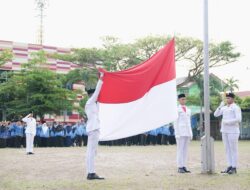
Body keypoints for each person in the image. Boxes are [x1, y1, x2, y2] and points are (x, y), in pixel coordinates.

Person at [214, 92, 242, 175]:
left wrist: (228, 122)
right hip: (224, 131)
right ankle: (229, 166)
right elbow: (216, 114)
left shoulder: (236, 107)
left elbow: (238, 119)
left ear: (233, 99)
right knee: (227, 149)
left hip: (233, 131)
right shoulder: (224, 108)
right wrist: (220, 106)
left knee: (233, 149)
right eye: (226, 98)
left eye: (229, 98)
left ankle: (234, 167)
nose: (227, 99)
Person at [85, 71, 105, 180]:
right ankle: (91, 173)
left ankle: (90, 172)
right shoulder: (90, 102)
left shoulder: (92, 104)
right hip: (93, 128)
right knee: (91, 152)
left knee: (91, 151)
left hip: (93, 128)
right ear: (91, 95)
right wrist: (101, 79)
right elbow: (98, 92)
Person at [174, 94, 193, 173]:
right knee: (180, 150)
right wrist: (177, 133)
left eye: (185, 99)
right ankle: (180, 166)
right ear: (178, 100)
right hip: (180, 132)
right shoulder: (177, 109)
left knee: (185, 150)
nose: (184, 100)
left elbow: (189, 122)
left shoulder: (188, 110)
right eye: (182, 99)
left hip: (187, 132)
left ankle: (184, 165)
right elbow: (175, 122)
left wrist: (191, 133)